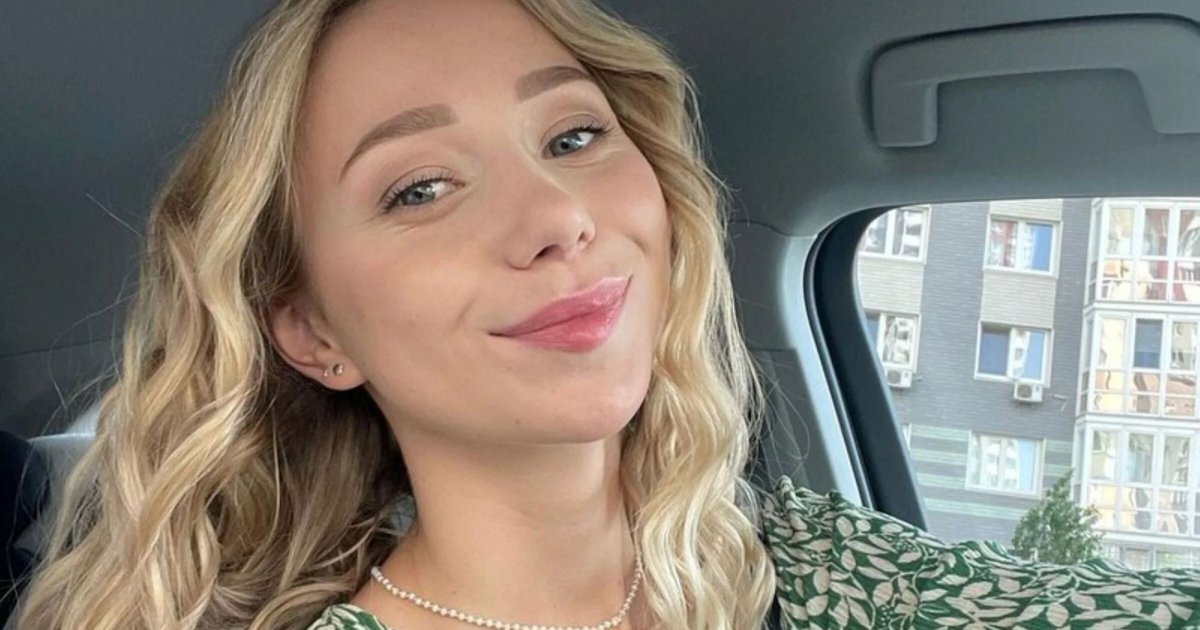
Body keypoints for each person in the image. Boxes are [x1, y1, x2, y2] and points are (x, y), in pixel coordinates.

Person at [13, 0, 1200, 628]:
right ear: (313, 333)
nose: (558, 216)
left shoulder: (807, 566)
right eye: (419, 188)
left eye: (576, 135)